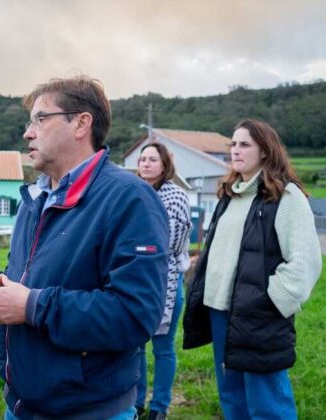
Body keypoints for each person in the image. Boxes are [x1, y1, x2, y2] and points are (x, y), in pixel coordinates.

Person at [0, 76, 169, 419]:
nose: (28, 132)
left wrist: (30, 305)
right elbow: (33, 276)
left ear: (81, 123)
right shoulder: (35, 199)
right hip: (22, 403)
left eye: (40, 119)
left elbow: (136, 315)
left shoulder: (130, 198)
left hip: (87, 409)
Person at [183, 119, 322, 419]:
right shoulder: (229, 195)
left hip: (259, 315)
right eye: (232, 144)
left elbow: (306, 262)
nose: (235, 150)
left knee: (267, 404)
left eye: (244, 144)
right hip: (219, 311)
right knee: (233, 399)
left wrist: (271, 300)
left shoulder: (286, 197)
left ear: (265, 151)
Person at [135, 143, 192, 420]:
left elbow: (171, 242)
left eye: (152, 159)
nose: (146, 164)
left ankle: (159, 407)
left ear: (164, 164)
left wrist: (140, 244)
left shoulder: (176, 195)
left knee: (163, 347)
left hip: (167, 278)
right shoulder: (132, 190)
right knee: (135, 343)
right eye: (143, 158)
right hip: (135, 279)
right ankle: (136, 401)